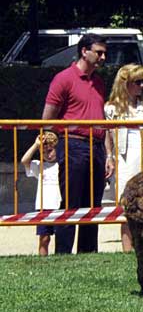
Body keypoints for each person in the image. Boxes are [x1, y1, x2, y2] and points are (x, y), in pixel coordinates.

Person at [42, 34, 115, 254]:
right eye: (99, 52)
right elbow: (47, 119)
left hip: (96, 146)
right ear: (84, 51)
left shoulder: (99, 82)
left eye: (104, 53)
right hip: (73, 144)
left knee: (93, 202)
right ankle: (63, 252)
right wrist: (51, 146)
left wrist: (109, 155)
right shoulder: (64, 78)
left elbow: (102, 119)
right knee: (71, 201)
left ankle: (88, 253)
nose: (103, 57)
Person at [105, 64, 143, 252]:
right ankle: (127, 250)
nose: (142, 86)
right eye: (137, 82)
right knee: (126, 205)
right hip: (124, 159)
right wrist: (109, 157)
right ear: (125, 84)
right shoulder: (111, 108)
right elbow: (108, 135)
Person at [21, 131, 61, 255]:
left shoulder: (62, 164)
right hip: (43, 206)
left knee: (62, 236)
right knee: (44, 238)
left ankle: (61, 258)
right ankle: (42, 260)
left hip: (59, 204)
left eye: (50, 151)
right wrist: (35, 145)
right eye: (43, 152)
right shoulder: (39, 165)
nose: (47, 155)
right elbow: (24, 160)